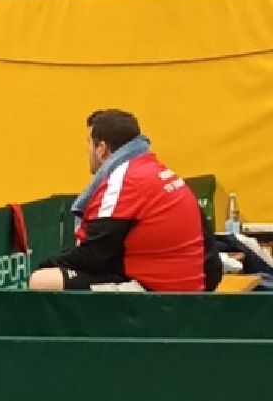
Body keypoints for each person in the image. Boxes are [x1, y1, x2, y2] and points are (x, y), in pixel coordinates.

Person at [28, 108, 216, 293]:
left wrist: (47, 264)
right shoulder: (158, 170)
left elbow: (95, 255)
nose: (87, 151)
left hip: (156, 293)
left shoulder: (124, 180)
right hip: (189, 286)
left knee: (42, 280)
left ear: (101, 149)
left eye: (89, 143)